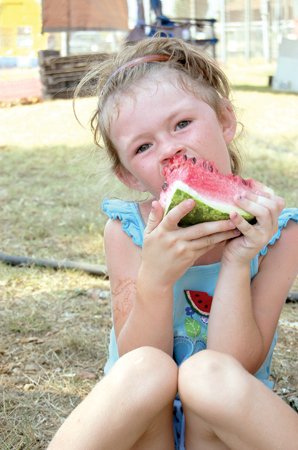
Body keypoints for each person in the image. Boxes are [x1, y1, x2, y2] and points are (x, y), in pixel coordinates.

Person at [48, 37, 298, 450]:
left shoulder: (279, 234)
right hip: (145, 430)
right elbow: (134, 362)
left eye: (182, 124)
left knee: (206, 373)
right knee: (148, 368)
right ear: (128, 174)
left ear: (225, 121)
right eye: (143, 147)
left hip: (224, 430)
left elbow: (237, 366)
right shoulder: (126, 231)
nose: (170, 150)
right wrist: (156, 278)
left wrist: (238, 262)